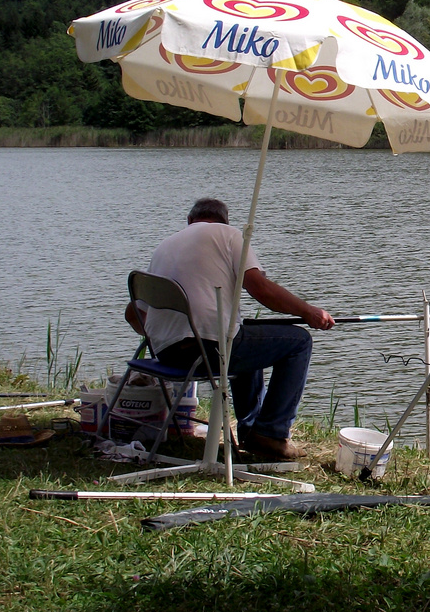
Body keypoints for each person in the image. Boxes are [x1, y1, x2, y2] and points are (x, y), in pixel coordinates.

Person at [127, 197, 334, 461]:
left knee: (243, 337)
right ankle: (271, 434)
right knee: (299, 341)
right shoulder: (230, 235)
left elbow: (132, 313)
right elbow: (260, 288)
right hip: (209, 352)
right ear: (225, 221)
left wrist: (163, 336)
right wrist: (308, 312)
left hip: (168, 355)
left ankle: (251, 432)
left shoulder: (165, 246)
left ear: (190, 221)